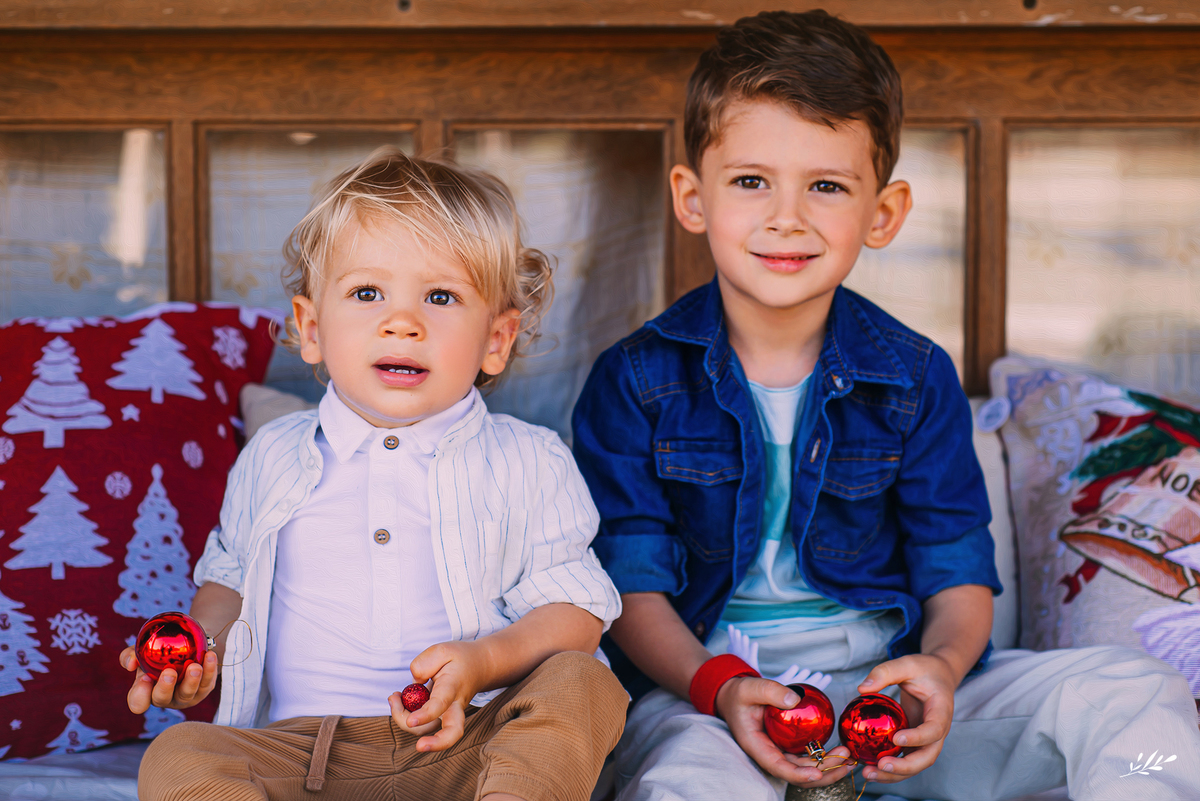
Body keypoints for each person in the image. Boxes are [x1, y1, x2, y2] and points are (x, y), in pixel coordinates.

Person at [571, 10, 1200, 801]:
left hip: (885, 698)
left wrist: (938, 669)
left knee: (1136, 694)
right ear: (693, 197)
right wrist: (719, 686)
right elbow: (629, 588)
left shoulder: (912, 375)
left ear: (884, 213)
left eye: (826, 185)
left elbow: (957, 568)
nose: (787, 216)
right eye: (751, 181)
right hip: (711, 698)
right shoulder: (634, 378)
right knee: (685, 783)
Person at [121, 148, 627, 801]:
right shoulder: (273, 454)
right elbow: (229, 581)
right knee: (180, 754)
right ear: (310, 328)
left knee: (583, 684)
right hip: (304, 753)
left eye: (441, 296)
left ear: (496, 340)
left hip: (473, 747)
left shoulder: (528, 458)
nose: (402, 321)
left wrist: (484, 662)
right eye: (366, 292)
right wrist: (200, 648)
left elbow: (577, 611)